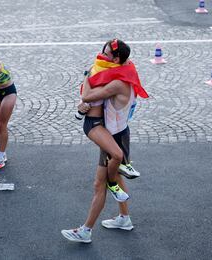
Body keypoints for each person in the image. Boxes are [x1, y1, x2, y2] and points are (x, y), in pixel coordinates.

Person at [61, 39, 148, 243]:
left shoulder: (117, 82)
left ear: (117, 59)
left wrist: (87, 75)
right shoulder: (124, 69)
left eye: (106, 53)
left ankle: (86, 231)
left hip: (112, 134)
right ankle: (124, 218)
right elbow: (89, 100)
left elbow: (89, 95)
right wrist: (81, 105)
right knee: (113, 178)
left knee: (102, 183)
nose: (101, 55)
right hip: (118, 131)